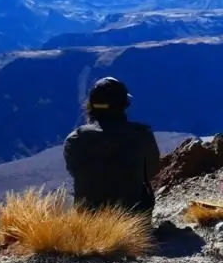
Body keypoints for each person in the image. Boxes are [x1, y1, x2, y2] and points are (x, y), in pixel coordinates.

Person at [63, 77, 160, 214]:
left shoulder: (75, 139)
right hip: (134, 221)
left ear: (91, 105)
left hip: (88, 223)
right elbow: (151, 171)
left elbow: (75, 172)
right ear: (125, 104)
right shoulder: (142, 136)